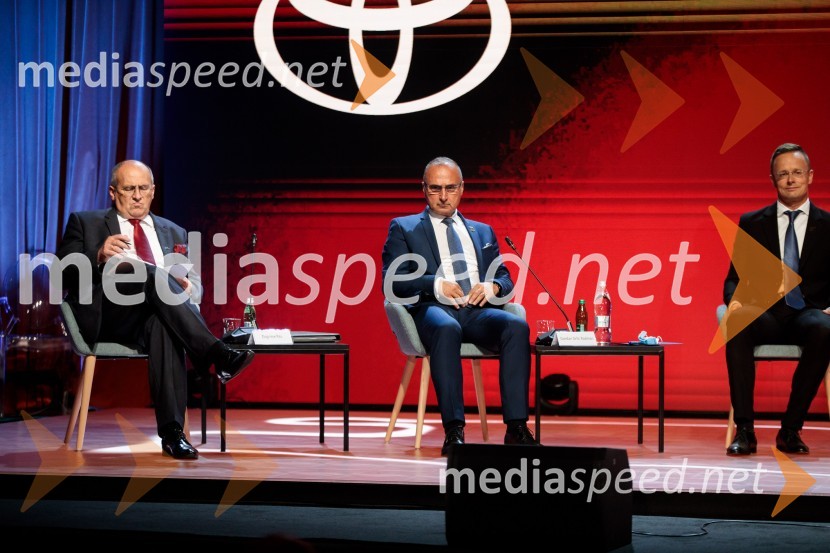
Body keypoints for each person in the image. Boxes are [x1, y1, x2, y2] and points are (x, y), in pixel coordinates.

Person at [56, 160, 255, 459]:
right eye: (129, 189)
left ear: (153, 191)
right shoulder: (85, 222)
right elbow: (61, 273)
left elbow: (195, 287)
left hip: (153, 316)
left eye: (143, 188)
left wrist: (185, 288)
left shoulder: (173, 232)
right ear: (113, 192)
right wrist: (97, 254)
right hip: (110, 316)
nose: (137, 196)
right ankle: (215, 353)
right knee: (147, 273)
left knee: (163, 323)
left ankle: (173, 434)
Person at [381, 156, 536, 455]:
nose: (443, 196)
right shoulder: (404, 227)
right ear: (424, 189)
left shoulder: (482, 231)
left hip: (476, 311)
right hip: (433, 310)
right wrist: (435, 285)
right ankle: (454, 431)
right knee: (447, 328)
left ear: (462, 188)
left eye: (450, 188)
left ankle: (516, 428)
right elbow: (392, 281)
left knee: (516, 326)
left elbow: (505, 278)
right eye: (435, 188)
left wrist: (493, 286)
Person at [722, 143, 830, 456]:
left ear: (810, 176)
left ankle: (790, 430)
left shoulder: (828, 225)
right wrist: (734, 301)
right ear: (772, 179)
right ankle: (745, 430)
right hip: (765, 314)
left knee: (825, 329)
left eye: (797, 172)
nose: (790, 180)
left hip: (808, 314)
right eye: (783, 174)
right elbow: (734, 277)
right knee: (738, 320)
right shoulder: (753, 222)